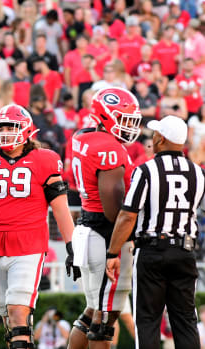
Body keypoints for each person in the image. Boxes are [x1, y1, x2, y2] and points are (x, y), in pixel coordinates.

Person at [0, 104, 78, 349]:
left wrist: (72, 245)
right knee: (9, 321)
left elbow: (61, 208)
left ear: (27, 130)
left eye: (11, 127)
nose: (5, 132)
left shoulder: (45, 160)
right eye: (1, 127)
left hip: (28, 246)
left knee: (18, 314)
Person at [106, 115, 205, 349]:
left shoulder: (146, 170)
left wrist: (113, 252)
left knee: (148, 320)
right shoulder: (198, 173)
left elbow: (128, 214)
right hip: (185, 250)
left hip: (152, 250)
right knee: (185, 321)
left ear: (160, 138)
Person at [67, 87, 141, 349]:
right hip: (106, 234)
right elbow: (114, 209)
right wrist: (127, 236)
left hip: (87, 225)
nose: (129, 126)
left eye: (132, 120)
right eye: (123, 119)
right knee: (104, 319)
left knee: (91, 312)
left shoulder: (83, 135)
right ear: (104, 116)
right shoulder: (108, 147)